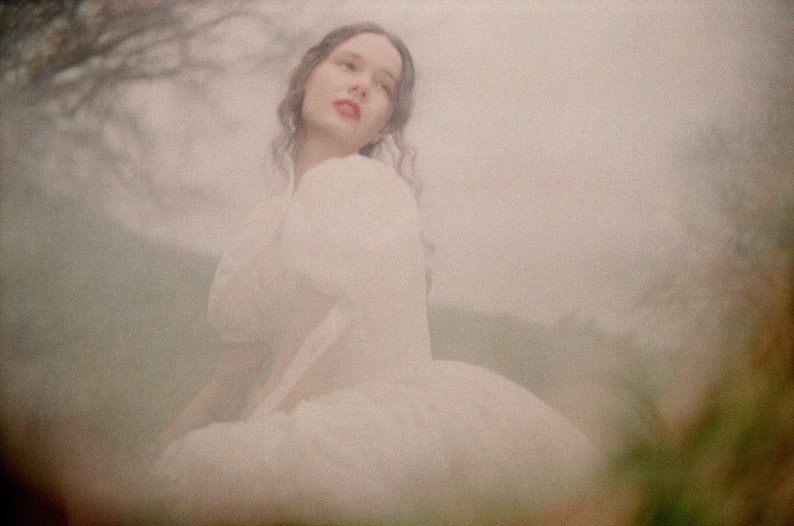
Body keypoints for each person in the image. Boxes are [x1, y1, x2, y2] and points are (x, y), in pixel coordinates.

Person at [155, 22, 598, 524]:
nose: (363, 84)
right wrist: (148, 467)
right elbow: (225, 387)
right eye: (347, 65)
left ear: (386, 125)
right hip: (291, 414)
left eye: (384, 85)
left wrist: (245, 457)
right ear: (306, 78)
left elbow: (311, 353)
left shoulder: (363, 187)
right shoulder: (265, 223)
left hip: (367, 435)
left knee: (210, 469)